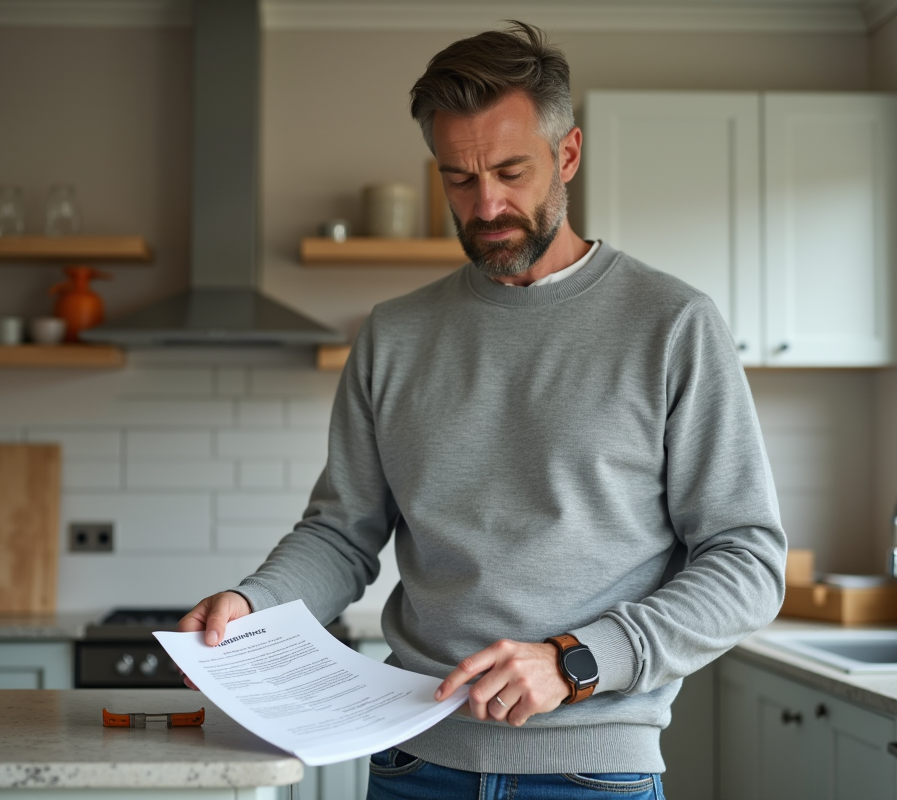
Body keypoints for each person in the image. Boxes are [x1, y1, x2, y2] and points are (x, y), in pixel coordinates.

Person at [180, 21, 786, 799]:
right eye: (459, 179)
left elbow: (747, 561)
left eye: (510, 170)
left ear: (567, 155)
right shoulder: (394, 334)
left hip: (589, 769)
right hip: (412, 762)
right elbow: (341, 534)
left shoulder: (671, 325)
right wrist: (252, 603)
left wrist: (576, 660)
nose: (487, 204)